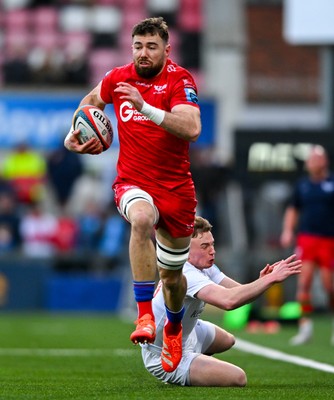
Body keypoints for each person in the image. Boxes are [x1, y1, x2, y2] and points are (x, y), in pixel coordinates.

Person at [64, 17, 201, 372]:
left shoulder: (180, 80)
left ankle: (173, 326)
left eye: (151, 46)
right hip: (132, 181)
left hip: (176, 190)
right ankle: (144, 317)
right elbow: (91, 101)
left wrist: (144, 107)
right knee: (140, 219)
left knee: (172, 278)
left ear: (166, 50)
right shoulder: (117, 77)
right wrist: (74, 132)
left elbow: (192, 127)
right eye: (138, 46)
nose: (143, 53)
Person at [140, 216, 302, 386]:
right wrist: (267, 281)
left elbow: (237, 292)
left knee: (228, 340)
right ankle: (184, 369)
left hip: (187, 334)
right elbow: (229, 301)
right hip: (162, 354)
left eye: (212, 244)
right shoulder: (186, 273)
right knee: (238, 378)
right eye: (205, 246)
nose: (212, 251)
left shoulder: (203, 266)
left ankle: (197, 363)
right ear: (185, 252)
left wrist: (265, 281)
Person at [280, 145, 334, 345]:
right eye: (310, 160)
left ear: (324, 161)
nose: (311, 163)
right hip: (307, 239)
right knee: (304, 284)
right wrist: (287, 231)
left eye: (315, 159)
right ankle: (305, 327)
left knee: (330, 286)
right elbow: (293, 209)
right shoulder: (302, 185)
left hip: (329, 240)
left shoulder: (331, 183)